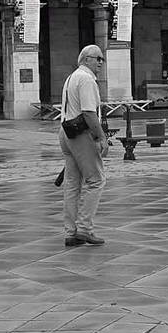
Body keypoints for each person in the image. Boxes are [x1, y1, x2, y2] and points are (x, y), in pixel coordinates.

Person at [58, 44, 109, 247]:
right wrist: (101, 137)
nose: (100, 63)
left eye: (102, 59)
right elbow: (89, 113)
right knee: (96, 180)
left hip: (65, 132)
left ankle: (70, 232)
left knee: (72, 184)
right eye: (98, 58)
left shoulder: (72, 77)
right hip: (80, 134)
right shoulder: (87, 79)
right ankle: (84, 228)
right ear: (86, 59)